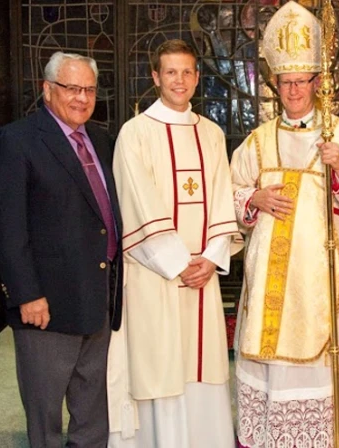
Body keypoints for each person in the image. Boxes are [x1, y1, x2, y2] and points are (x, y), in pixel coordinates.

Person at [230, 2, 339, 447]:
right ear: (274, 84)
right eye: (286, 82)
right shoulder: (257, 143)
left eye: (301, 81)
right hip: (269, 286)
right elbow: (229, 198)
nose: (294, 90)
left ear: (317, 82)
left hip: (323, 281)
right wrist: (253, 198)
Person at [106, 39, 241, 448]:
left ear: (197, 77)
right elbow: (137, 201)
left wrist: (212, 259)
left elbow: (221, 196)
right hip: (156, 275)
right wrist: (179, 261)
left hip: (202, 276)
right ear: (155, 77)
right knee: (159, 362)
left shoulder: (212, 134)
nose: (179, 80)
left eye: (187, 72)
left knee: (203, 364)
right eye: (170, 72)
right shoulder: (135, 134)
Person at [0, 51, 122, 447]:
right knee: (45, 417)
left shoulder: (101, 139)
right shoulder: (17, 141)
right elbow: (5, 227)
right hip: (45, 306)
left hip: (98, 298)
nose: (82, 97)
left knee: (92, 411)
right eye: (72, 88)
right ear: (47, 89)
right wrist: (26, 294)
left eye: (90, 89)